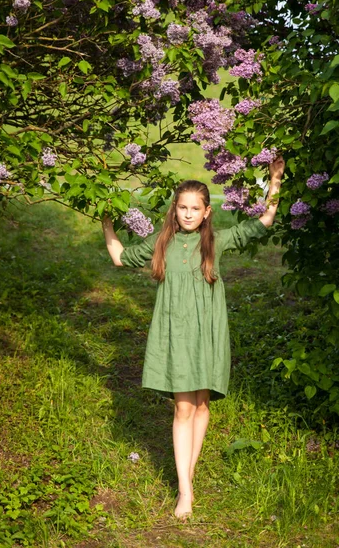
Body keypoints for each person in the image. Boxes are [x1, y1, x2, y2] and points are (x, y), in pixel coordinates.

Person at [102, 156, 285, 519]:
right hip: (176, 334)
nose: (187, 214)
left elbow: (264, 222)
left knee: (202, 405)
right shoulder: (161, 244)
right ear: (175, 210)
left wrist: (275, 182)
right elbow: (120, 257)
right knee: (183, 407)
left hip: (210, 333)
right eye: (182, 207)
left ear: (206, 213)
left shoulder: (216, 241)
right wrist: (105, 220)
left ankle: (188, 473)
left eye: (194, 208)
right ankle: (185, 492)